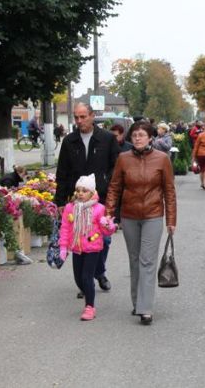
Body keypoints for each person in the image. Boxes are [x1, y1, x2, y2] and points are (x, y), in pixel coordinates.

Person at [105, 121, 177, 325]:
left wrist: (171, 219)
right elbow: (114, 187)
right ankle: (137, 301)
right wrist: (109, 213)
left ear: (150, 138)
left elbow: (169, 191)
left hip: (153, 215)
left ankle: (146, 308)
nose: (137, 138)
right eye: (134, 135)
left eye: (141, 135)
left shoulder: (162, 159)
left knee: (147, 260)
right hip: (129, 216)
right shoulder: (123, 159)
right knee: (135, 260)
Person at [55, 103, 119, 292]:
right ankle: (88, 279)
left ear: (92, 116)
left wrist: (106, 185)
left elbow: (116, 167)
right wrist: (60, 200)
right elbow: (62, 172)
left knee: (104, 239)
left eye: (83, 117)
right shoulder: (69, 141)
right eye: (76, 117)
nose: (79, 121)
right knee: (82, 238)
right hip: (78, 200)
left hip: (101, 198)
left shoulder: (107, 139)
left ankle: (98, 271)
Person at [59, 174, 116, 321]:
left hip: (93, 247)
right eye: (78, 190)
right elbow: (65, 228)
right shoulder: (70, 208)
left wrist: (108, 225)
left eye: (84, 190)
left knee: (86, 276)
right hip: (77, 247)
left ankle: (90, 307)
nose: (80, 193)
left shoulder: (99, 209)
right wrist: (63, 247)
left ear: (92, 193)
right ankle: (88, 291)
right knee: (79, 279)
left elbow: (106, 232)